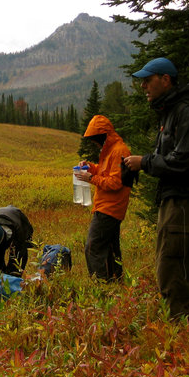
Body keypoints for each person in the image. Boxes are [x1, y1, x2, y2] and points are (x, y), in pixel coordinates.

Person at [123, 57, 189, 323]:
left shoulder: (188, 112)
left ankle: (183, 323)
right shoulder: (172, 111)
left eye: (148, 81)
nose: (143, 87)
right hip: (176, 197)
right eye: (142, 82)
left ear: (166, 79)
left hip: (186, 198)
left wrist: (145, 162)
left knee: (173, 262)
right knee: (179, 258)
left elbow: (184, 161)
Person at [75, 115, 132, 282]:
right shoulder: (111, 150)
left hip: (109, 208)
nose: (94, 142)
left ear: (103, 135)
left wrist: (90, 178)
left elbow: (115, 182)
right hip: (109, 207)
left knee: (93, 247)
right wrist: (90, 167)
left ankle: (100, 284)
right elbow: (105, 171)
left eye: (95, 139)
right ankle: (115, 280)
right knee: (111, 247)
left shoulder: (119, 150)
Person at [0, 205, 34, 277]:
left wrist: (11, 275)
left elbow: (18, 255)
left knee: (18, 264)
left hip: (16, 216)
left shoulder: (17, 230)